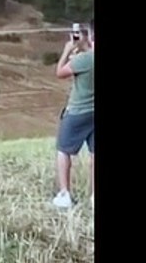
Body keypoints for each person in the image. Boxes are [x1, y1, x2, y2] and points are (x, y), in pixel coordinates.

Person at [51, 23, 94, 209]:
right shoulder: (86, 57)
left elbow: (60, 73)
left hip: (78, 110)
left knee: (64, 150)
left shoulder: (84, 59)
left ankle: (65, 194)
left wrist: (68, 50)